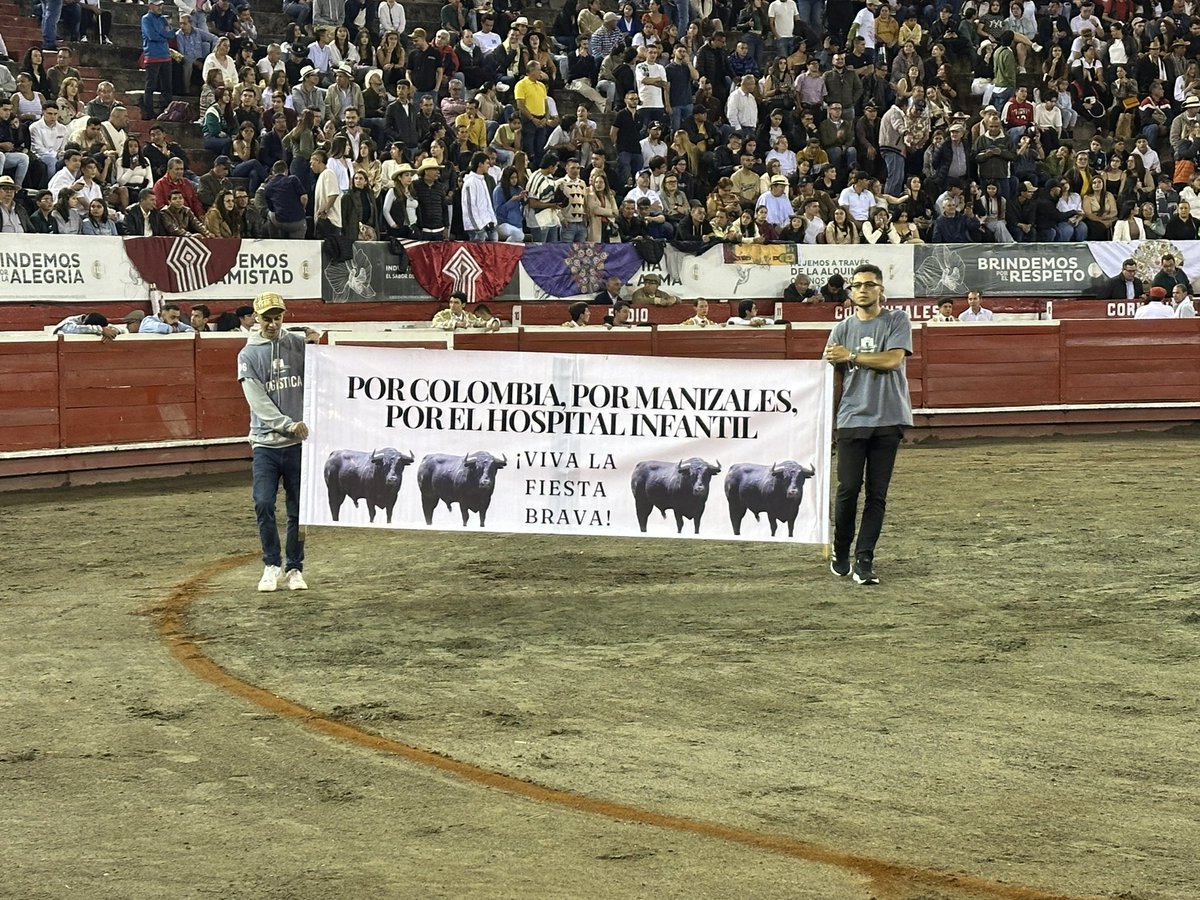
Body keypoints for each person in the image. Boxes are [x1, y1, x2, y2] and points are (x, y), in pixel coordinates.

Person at [823, 263, 913, 586]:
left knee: (877, 494)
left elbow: (892, 360)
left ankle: (865, 559)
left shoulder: (897, 320)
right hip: (851, 418)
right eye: (857, 285)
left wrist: (852, 357)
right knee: (848, 488)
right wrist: (827, 422)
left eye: (869, 284)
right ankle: (842, 548)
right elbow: (832, 379)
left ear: (881, 290)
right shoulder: (841, 330)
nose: (863, 289)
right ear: (850, 292)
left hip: (888, 416)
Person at [238, 292, 318, 593]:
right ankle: (271, 564)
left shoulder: (298, 344)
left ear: (284, 316)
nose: (272, 323)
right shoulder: (247, 356)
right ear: (256, 318)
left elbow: (324, 373)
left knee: (299, 510)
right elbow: (258, 401)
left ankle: (294, 567)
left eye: (277, 317)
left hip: (298, 444)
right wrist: (289, 425)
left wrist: (318, 345)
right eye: (266, 318)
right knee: (263, 503)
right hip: (266, 443)